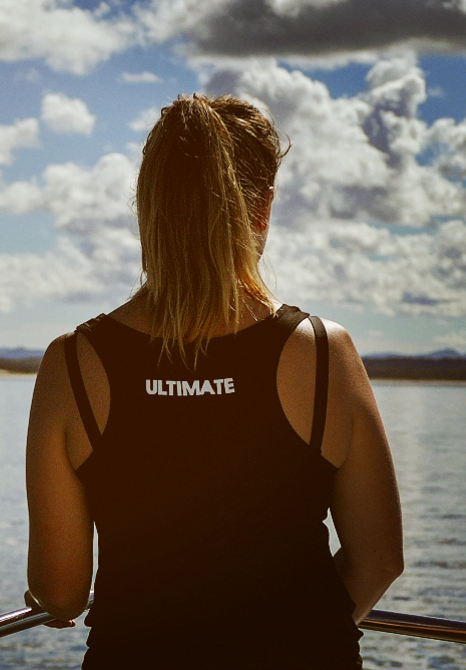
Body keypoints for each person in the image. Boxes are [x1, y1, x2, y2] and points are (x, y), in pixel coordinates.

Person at [24, 94, 403, 669]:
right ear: (262, 209)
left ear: (147, 208)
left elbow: (62, 591)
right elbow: (378, 558)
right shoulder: (324, 354)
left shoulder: (73, 365)